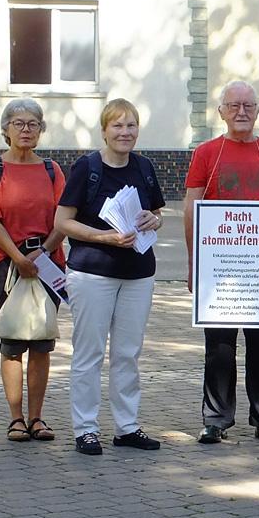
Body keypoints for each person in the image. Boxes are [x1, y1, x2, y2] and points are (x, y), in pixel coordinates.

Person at [185, 81, 259, 445]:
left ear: (257, 110)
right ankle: (216, 420)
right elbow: (191, 208)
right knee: (219, 348)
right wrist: (194, 263)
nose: (241, 112)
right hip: (219, 268)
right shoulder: (206, 153)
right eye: (233, 105)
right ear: (221, 111)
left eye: (248, 106)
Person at [55, 99, 164, 455]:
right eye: (117, 126)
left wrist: (154, 219)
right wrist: (105, 237)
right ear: (104, 130)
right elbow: (62, 223)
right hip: (92, 272)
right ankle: (85, 428)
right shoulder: (87, 168)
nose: (125, 132)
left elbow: (157, 212)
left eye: (131, 126)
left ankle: (127, 426)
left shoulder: (144, 167)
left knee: (128, 354)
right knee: (88, 353)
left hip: (138, 273)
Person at [0, 98, 66, 443]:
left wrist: (42, 254)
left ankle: (38, 418)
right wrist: (18, 258)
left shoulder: (52, 170)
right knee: (13, 341)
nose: (26, 130)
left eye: (33, 124)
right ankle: (16, 419)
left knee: (42, 341)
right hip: (7, 264)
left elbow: (63, 217)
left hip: (48, 263)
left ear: (41, 130)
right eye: (18, 123)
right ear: (6, 130)